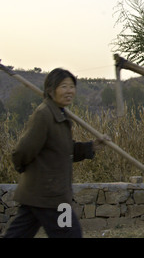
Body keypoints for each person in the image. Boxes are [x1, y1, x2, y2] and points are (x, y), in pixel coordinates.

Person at [3, 68, 108, 238]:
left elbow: (64, 150)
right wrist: (22, 168)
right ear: (51, 90)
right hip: (50, 195)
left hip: (39, 194)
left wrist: (92, 146)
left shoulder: (59, 115)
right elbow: (23, 150)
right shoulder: (44, 115)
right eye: (64, 86)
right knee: (70, 234)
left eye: (72, 86)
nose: (69, 91)